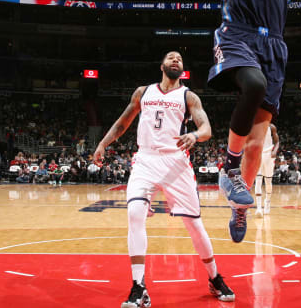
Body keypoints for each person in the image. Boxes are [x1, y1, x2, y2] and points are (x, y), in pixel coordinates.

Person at [93, 51, 235, 307]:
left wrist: (195, 135)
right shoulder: (143, 92)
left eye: (179, 59)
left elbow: (206, 128)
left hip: (176, 162)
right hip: (146, 159)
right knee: (135, 213)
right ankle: (139, 286)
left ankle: (214, 277)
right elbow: (123, 123)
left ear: (182, 70)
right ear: (162, 66)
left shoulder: (188, 96)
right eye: (171, 57)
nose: (175, 60)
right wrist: (103, 144)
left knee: (194, 225)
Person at [196, 0, 299, 243]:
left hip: (273, 47)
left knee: (256, 146)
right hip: (237, 35)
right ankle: (228, 168)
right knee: (253, 83)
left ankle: (239, 206)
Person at [255, 123, 279, 217]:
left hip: (269, 154)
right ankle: (259, 208)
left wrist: (274, 151)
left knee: (268, 181)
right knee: (258, 180)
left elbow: (277, 142)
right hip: (258, 154)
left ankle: (267, 201)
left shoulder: (272, 127)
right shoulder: (254, 126)